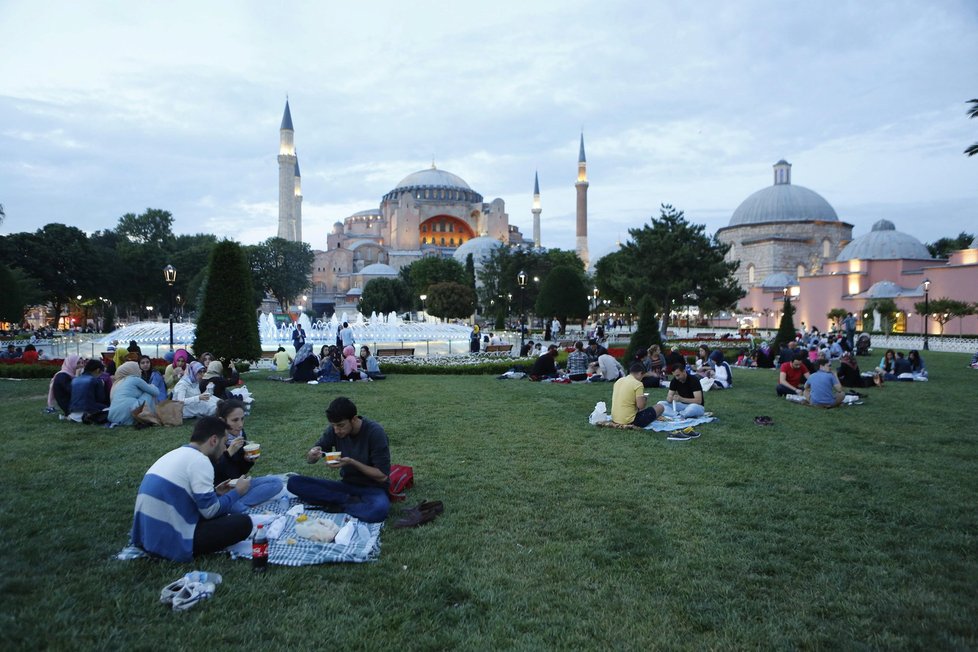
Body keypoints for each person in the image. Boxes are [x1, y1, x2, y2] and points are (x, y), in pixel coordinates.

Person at [130, 416, 253, 561]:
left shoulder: (176, 454)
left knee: (227, 512)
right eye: (224, 443)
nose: (225, 449)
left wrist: (216, 492)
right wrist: (237, 492)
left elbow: (183, 496)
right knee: (244, 523)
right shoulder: (201, 461)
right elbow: (210, 511)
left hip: (147, 536)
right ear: (214, 440)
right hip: (169, 543)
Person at [288, 397, 391, 523]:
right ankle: (347, 502)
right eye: (333, 426)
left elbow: (382, 476)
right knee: (293, 482)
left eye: (341, 425)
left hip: (373, 488)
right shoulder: (335, 430)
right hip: (346, 486)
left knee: (378, 511)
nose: (337, 430)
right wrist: (312, 454)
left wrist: (352, 462)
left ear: (354, 419)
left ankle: (336, 503)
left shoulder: (375, 432)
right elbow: (313, 456)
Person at [213, 399, 283, 513]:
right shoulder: (214, 440)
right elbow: (213, 473)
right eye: (235, 420)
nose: (240, 425)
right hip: (221, 491)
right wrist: (228, 454)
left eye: (242, 419)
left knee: (276, 483)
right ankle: (236, 505)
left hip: (238, 485)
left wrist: (248, 461)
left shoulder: (240, 434)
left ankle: (240, 504)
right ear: (222, 421)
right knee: (232, 505)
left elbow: (239, 472)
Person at [108, 361, 160, 426]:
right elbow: (156, 392)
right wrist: (152, 386)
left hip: (113, 417)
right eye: (138, 368)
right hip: (129, 417)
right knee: (149, 393)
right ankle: (150, 416)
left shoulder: (119, 382)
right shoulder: (135, 379)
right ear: (132, 370)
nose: (140, 370)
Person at [610, 362, 660, 427]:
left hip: (615, 419)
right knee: (660, 407)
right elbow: (640, 406)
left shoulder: (619, 381)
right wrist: (644, 399)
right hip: (629, 421)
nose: (642, 379)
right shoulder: (638, 384)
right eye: (643, 376)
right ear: (640, 373)